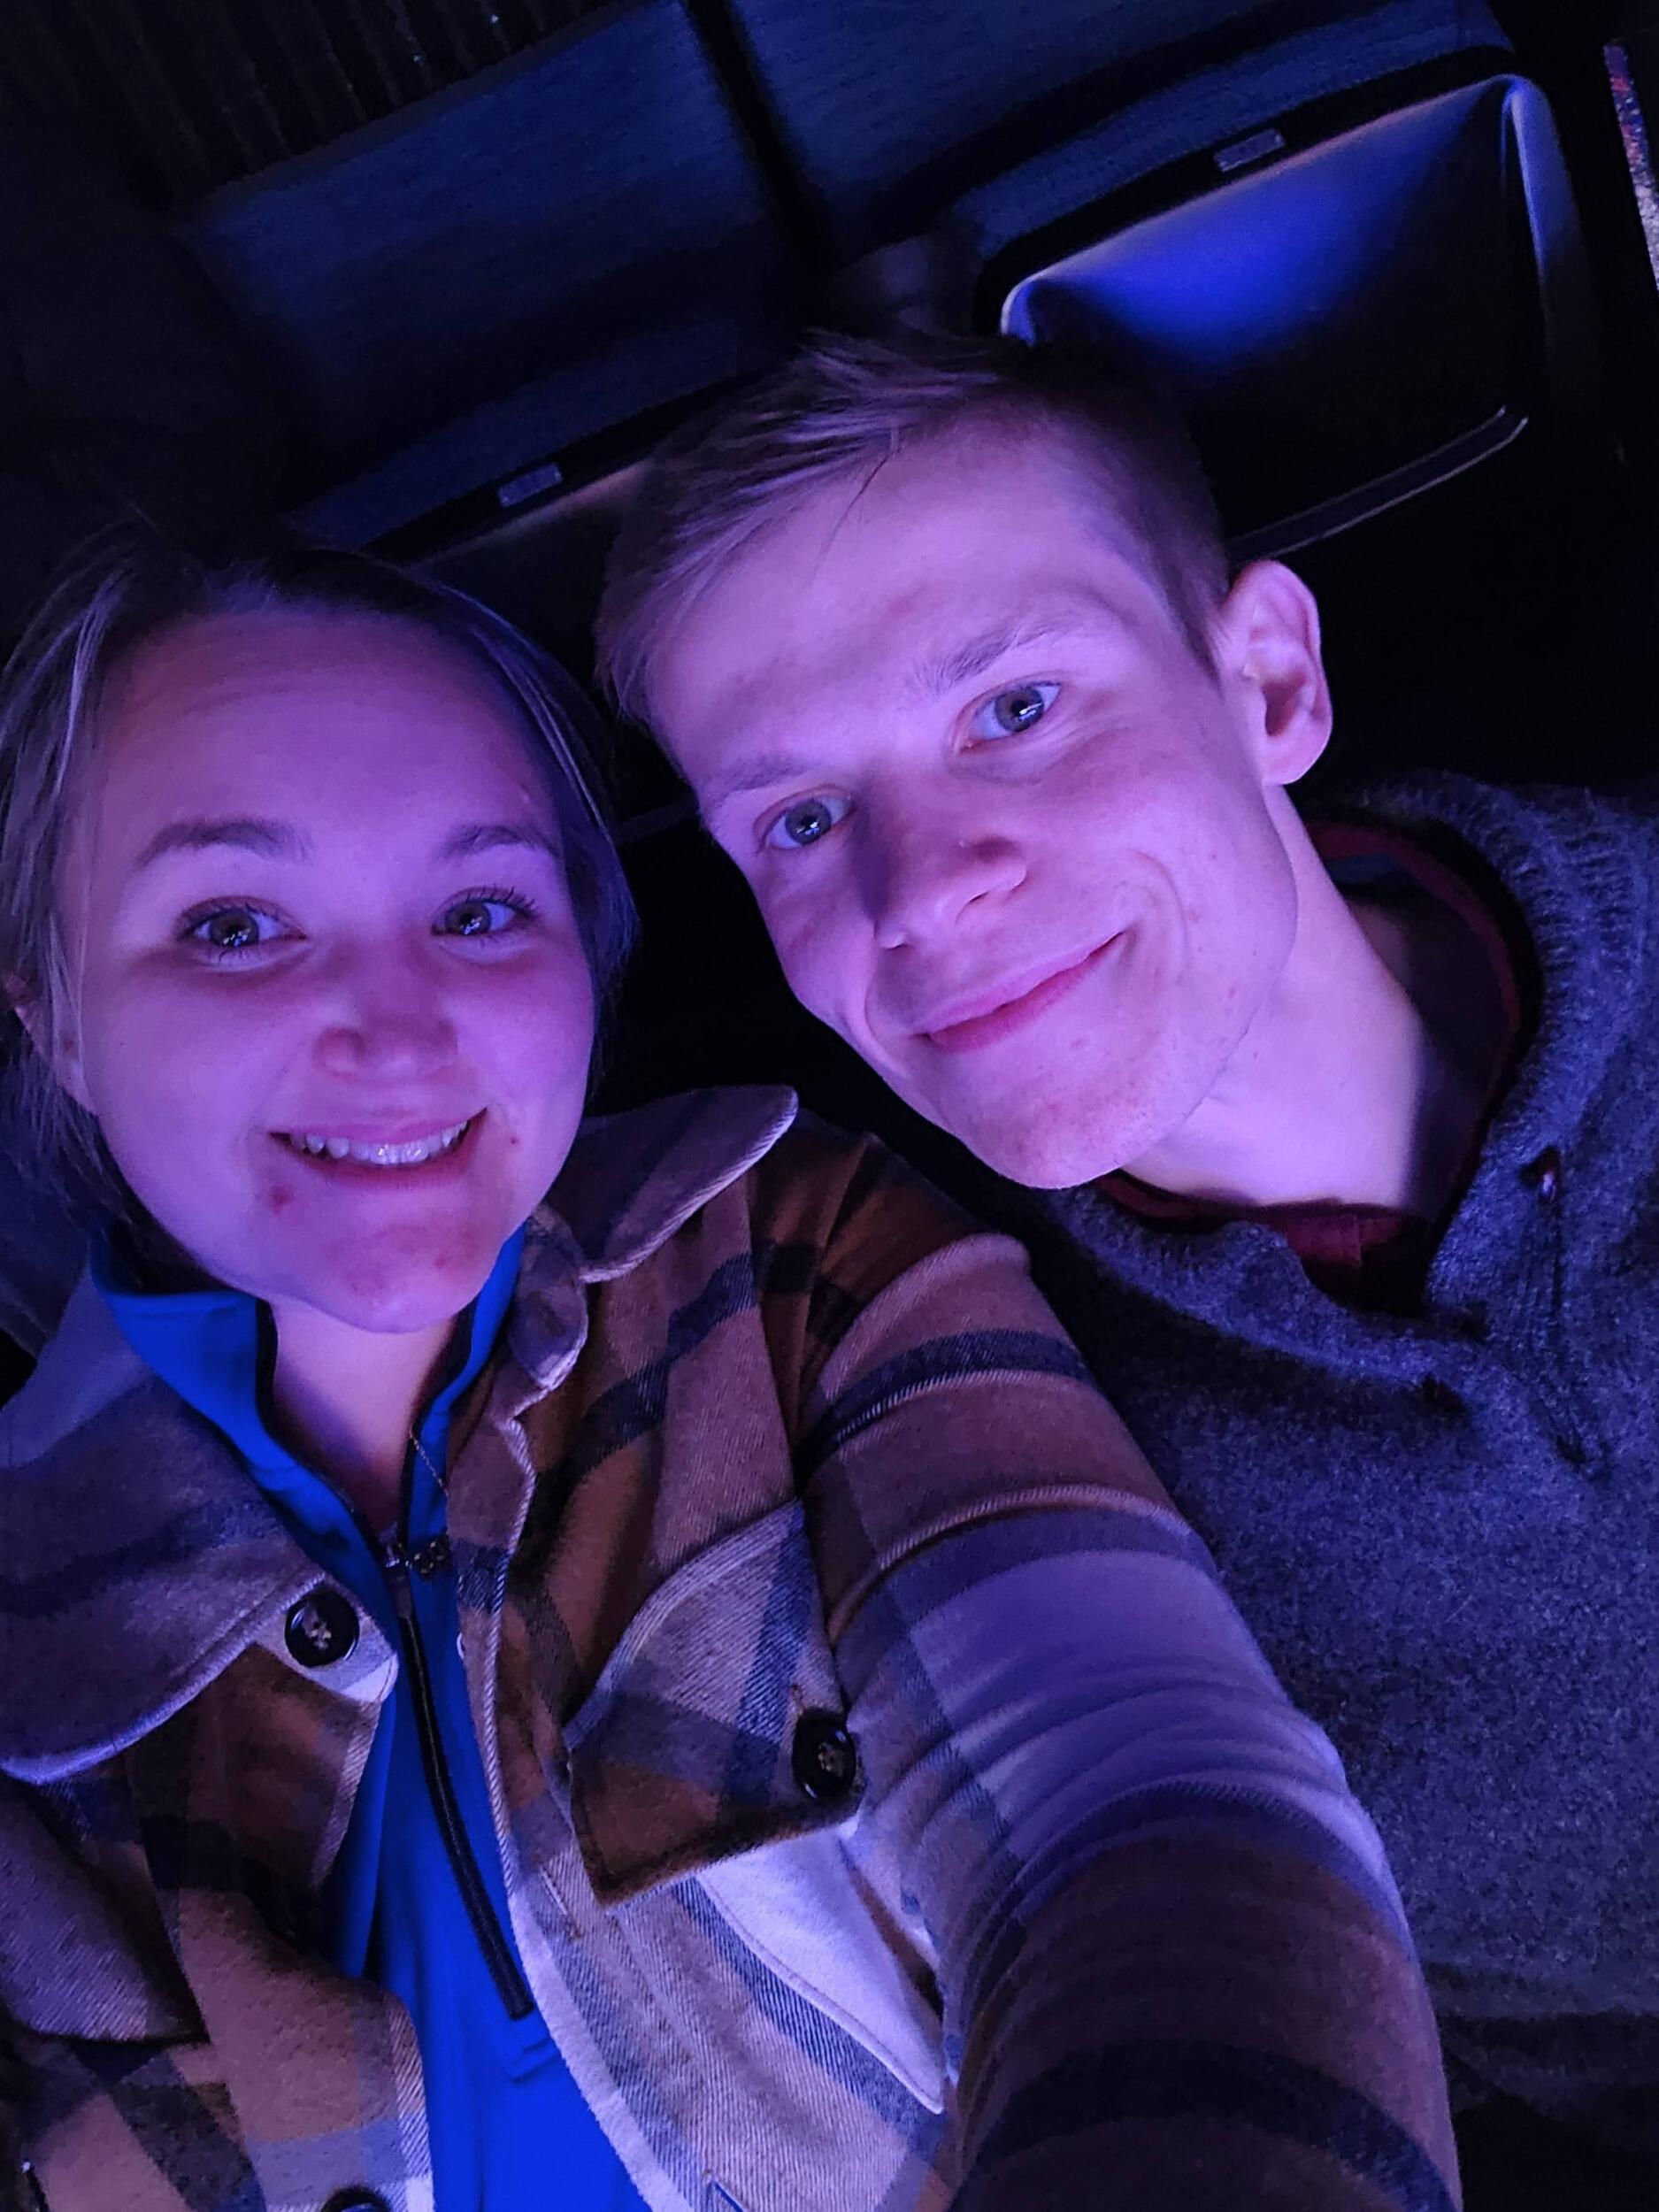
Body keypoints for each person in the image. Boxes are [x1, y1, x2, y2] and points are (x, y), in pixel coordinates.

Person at [0, 537, 1455, 2212]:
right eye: (235, 926)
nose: (394, 1032)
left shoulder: (792, 1255)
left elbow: (1149, 1804)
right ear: (56, 1018)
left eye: (481, 910)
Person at [595, 329, 1659, 2180]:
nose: (921, 889)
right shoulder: (962, 1404)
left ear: (1266, 682)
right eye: (801, 819)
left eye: (1012, 706)